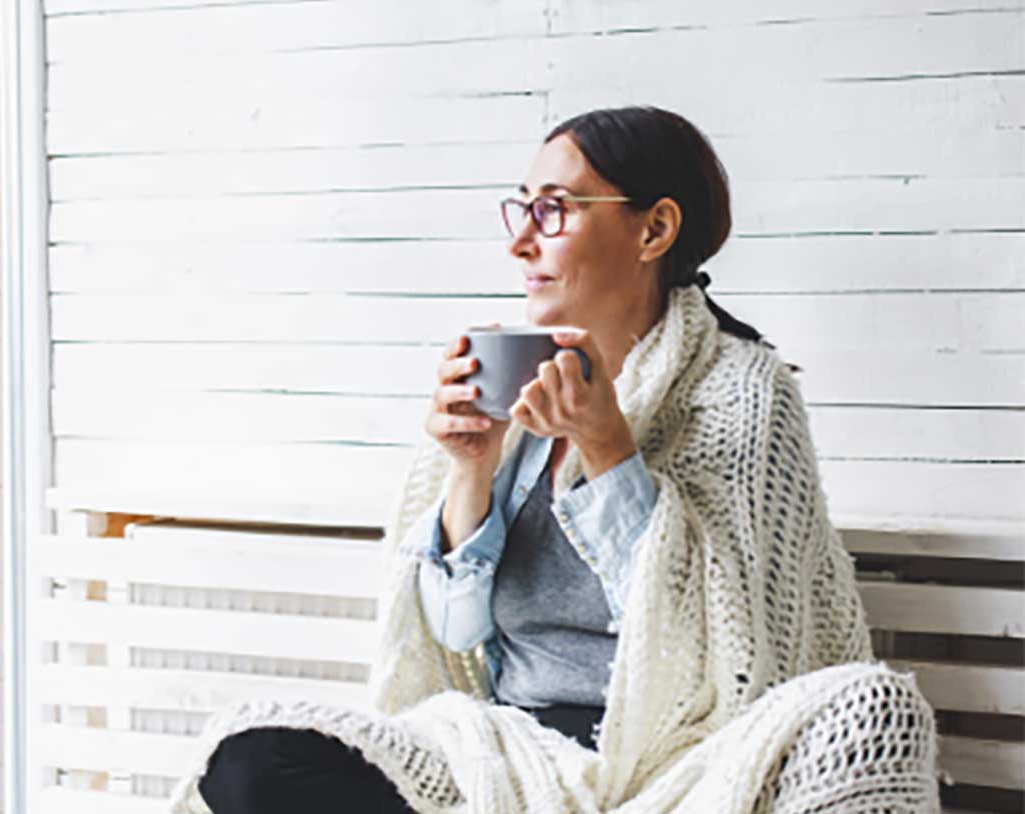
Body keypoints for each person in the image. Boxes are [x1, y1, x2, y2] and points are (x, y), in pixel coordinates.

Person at [173, 106, 939, 814]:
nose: (521, 241)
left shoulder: (743, 393)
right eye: (523, 207)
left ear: (655, 229)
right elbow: (452, 644)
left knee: (876, 710)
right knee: (250, 760)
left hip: (692, 761)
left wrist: (610, 452)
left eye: (555, 209)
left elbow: (738, 651)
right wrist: (469, 469)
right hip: (511, 751)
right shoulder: (513, 386)